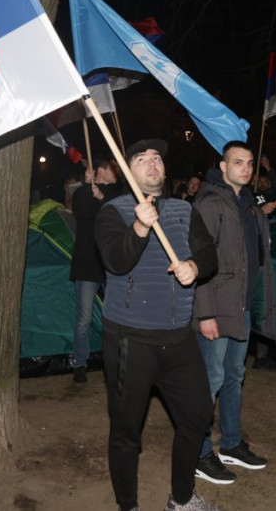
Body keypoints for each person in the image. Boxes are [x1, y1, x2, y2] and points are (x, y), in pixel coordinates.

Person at [94, 139, 221, 511]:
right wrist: (139, 226)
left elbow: (208, 253)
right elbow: (116, 261)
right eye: (141, 159)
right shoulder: (112, 212)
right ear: (125, 170)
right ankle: (128, 505)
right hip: (129, 341)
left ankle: (181, 498)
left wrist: (194, 266)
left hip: (179, 338)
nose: (152, 164)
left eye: (157, 158)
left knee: (198, 414)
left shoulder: (184, 210)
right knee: (126, 431)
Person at [191, 141, 272, 485]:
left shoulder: (247, 204)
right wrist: (205, 313)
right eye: (238, 162)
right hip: (216, 309)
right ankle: (199, 453)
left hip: (241, 307)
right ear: (223, 167)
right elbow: (198, 259)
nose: (246, 169)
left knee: (234, 376)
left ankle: (231, 443)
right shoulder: (210, 202)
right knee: (210, 380)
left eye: (250, 163)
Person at [68, 156, 121, 384]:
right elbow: (83, 212)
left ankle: (117, 361)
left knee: (117, 317)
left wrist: (102, 197)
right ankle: (80, 363)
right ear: (100, 170)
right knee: (84, 318)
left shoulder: (118, 194)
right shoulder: (83, 192)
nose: (116, 172)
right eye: (112, 168)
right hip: (88, 264)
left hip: (113, 266)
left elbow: (119, 215)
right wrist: (87, 187)